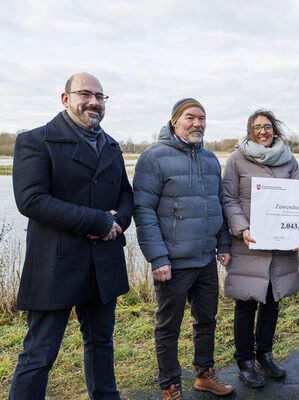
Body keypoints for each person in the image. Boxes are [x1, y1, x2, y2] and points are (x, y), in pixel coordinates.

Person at [9, 72, 133, 400]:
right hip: (56, 262)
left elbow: (125, 194)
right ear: (66, 99)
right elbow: (31, 200)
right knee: (40, 353)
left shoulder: (111, 146)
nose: (94, 101)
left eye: (100, 96)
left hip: (103, 263)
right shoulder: (34, 141)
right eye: (85, 94)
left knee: (101, 342)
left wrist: (118, 220)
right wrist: (97, 222)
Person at [133, 98, 234, 399]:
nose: (198, 123)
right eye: (190, 117)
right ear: (175, 121)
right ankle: (171, 385)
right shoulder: (154, 157)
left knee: (206, 320)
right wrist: (158, 258)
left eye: (202, 118)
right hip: (172, 263)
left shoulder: (210, 159)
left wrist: (224, 244)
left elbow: (218, 206)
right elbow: (144, 211)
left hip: (205, 260)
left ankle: (204, 374)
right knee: (169, 327)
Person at [222, 109, 299, 388]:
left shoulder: (289, 161)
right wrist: (242, 228)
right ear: (249, 131)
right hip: (248, 244)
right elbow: (228, 198)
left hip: (280, 247)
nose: (263, 131)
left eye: (267, 126)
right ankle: (244, 361)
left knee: (272, 300)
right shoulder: (236, 160)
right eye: (257, 127)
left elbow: (298, 200)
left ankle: (264, 354)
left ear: (275, 130)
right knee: (246, 303)